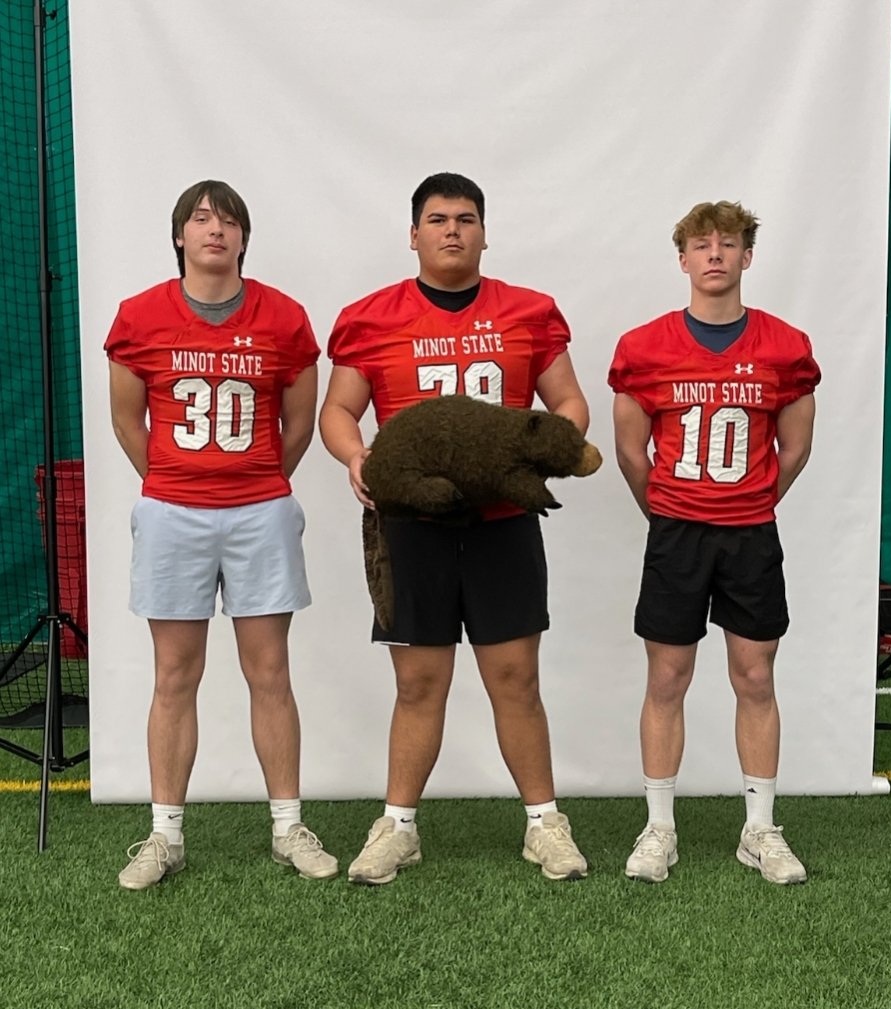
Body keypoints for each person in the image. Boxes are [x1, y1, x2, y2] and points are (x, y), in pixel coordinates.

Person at [319, 172, 589, 884]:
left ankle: (543, 823)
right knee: (418, 682)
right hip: (413, 524)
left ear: (483, 231)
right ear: (413, 234)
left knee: (514, 676)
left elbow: (568, 405)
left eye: (465, 218)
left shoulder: (528, 312)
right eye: (436, 219)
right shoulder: (371, 316)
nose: (451, 230)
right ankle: (398, 826)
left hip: (501, 522)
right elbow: (337, 411)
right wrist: (357, 457)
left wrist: (535, 458)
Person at [106, 180, 336, 889]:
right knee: (175, 674)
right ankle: (164, 834)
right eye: (201, 218)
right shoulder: (139, 315)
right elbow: (126, 419)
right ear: (179, 234)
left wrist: (254, 483)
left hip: (258, 509)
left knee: (269, 671)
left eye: (228, 220)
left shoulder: (285, 317)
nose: (215, 229)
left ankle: (287, 824)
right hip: (173, 511)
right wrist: (176, 484)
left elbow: (298, 424)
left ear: (243, 237)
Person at [609, 201, 821, 885]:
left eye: (727, 243)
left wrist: (749, 500)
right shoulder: (644, 346)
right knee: (666, 676)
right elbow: (628, 450)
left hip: (749, 534)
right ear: (682, 260)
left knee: (754, 676)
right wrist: (670, 510)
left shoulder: (784, 346)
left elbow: (794, 448)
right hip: (677, 533)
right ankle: (658, 827)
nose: (714, 255)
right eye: (700, 245)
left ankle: (759, 827)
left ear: (746, 257)